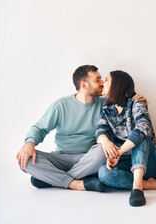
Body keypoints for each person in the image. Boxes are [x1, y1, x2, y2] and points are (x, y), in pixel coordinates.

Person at [16, 65, 147, 192]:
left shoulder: (105, 104)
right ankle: (76, 184)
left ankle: (53, 180)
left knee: (103, 149)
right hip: (60, 158)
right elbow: (39, 128)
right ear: (84, 85)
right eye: (97, 79)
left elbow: (123, 102)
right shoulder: (61, 105)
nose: (102, 83)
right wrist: (29, 143)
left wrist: (137, 99)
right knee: (25, 159)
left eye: (102, 79)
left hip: (90, 159)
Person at [96, 70, 156, 207]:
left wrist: (119, 151)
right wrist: (105, 141)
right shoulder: (107, 109)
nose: (103, 83)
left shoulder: (136, 103)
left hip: (151, 161)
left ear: (117, 85)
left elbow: (143, 127)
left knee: (140, 137)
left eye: (106, 80)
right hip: (128, 163)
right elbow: (100, 130)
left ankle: (137, 188)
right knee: (103, 173)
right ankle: (151, 184)